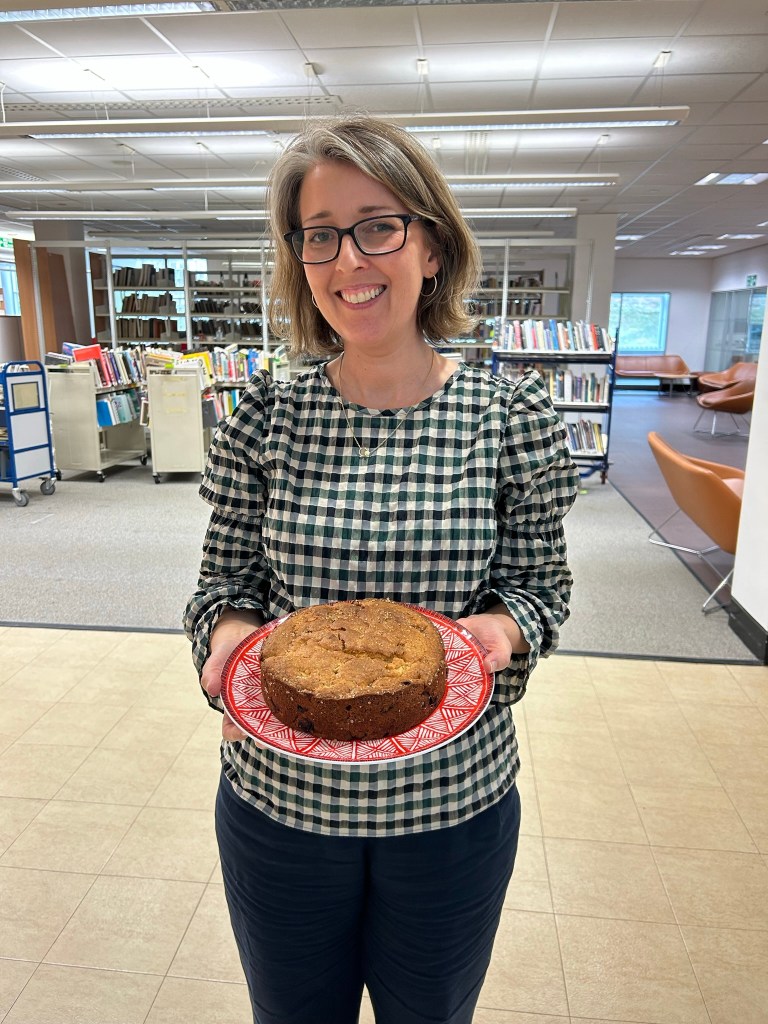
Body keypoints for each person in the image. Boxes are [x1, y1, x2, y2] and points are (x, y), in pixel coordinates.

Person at [184, 113, 579, 1024]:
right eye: (320, 235)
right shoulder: (265, 414)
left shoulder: (509, 416)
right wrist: (230, 636)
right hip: (282, 808)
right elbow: (223, 585)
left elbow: (540, 588)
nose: (348, 261)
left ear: (432, 247)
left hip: (451, 811)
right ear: (300, 258)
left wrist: (504, 628)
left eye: (378, 226)